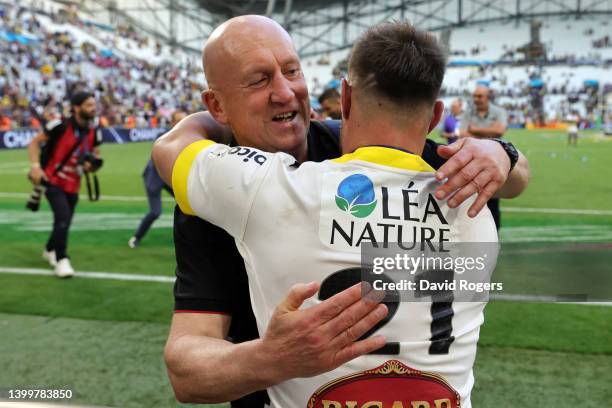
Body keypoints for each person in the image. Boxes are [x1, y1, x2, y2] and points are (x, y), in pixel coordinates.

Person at [153, 15, 530, 406]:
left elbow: (515, 177)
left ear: (345, 99)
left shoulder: (339, 150)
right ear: (217, 104)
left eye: (292, 70)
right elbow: (187, 372)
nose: (285, 92)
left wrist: (501, 153)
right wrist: (269, 359)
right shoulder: (211, 203)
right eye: (259, 79)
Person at [27, 91, 102, 277]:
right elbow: (34, 143)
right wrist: (36, 167)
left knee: (65, 220)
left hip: (74, 183)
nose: (93, 109)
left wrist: (90, 164)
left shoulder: (94, 130)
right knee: (62, 217)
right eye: (88, 105)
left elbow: (95, 155)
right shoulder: (59, 125)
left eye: (94, 105)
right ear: (76, 108)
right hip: (53, 180)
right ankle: (62, 259)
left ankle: (49, 248)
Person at [128, 110, 185, 248]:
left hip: (168, 176)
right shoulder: (164, 136)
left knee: (187, 205)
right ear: (172, 122)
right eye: (179, 120)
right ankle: (136, 237)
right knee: (155, 211)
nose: (182, 122)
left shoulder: (186, 135)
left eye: (184, 119)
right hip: (155, 176)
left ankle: (186, 237)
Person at [459, 86, 511, 230]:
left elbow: (499, 131)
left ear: (488, 97)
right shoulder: (468, 112)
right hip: (470, 162)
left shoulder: (499, 112)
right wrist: (489, 135)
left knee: (492, 200)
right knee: (468, 200)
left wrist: (474, 130)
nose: (476, 99)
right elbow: (463, 134)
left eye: (480, 96)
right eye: (475, 96)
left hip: (492, 163)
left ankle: (493, 236)